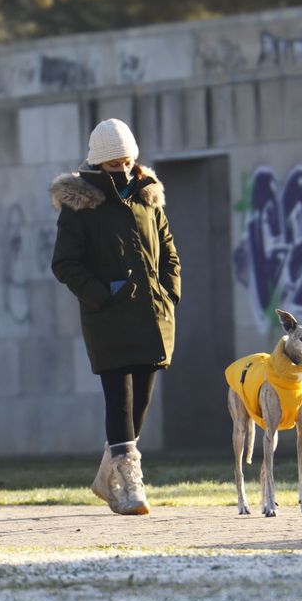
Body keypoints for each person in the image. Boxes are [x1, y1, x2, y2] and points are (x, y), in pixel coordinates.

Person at [49, 118, 181, 516]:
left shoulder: (147, 195)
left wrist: (169, 292)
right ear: (97, 165)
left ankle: (108, 474)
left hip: (153, 315)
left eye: (126, 162)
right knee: (119, 402)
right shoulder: (80, 206)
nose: (122, 170)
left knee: (141, 401)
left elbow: (168, 250)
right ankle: (129, 485)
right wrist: (101, 295)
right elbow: (65, 263)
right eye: (113, 165)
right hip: (108, 319)